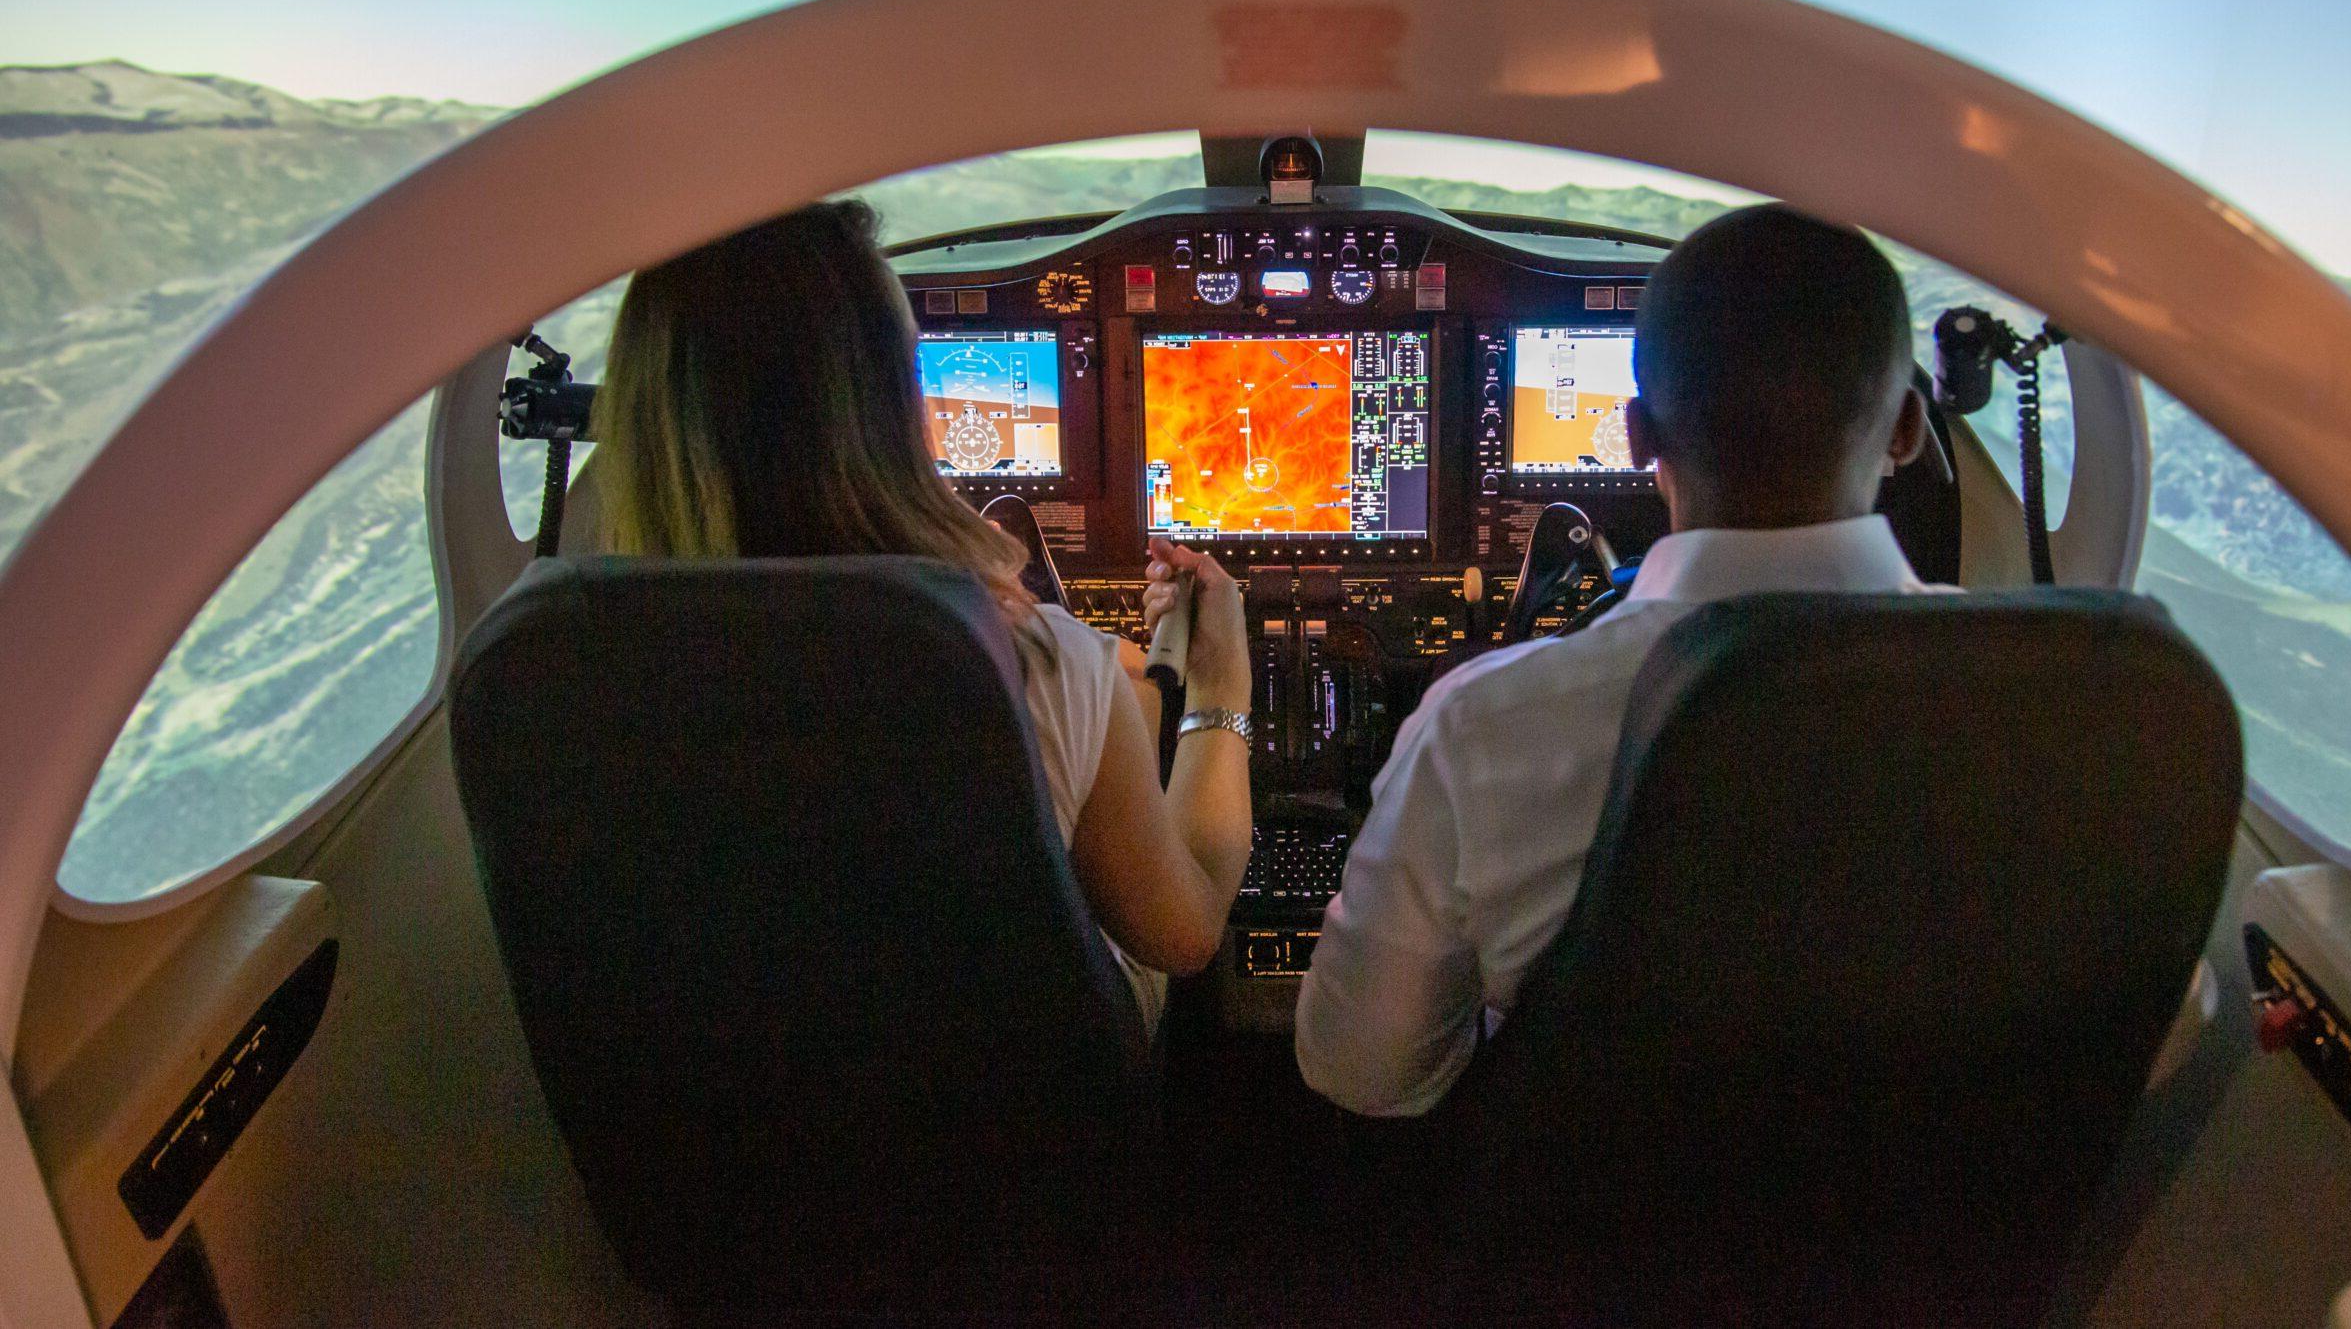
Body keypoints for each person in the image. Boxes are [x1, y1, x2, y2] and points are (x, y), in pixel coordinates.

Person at [1295, 204, 1941, 1114]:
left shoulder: (1482, 729)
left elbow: (1360, 1071)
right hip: (1932, 1241)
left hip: (1600, 1244)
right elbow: (2164, 1030)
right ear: (1909, 429)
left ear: (1637, 438)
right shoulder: (2066, 705)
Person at [586, 199, 1254, 1032]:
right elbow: (1188, 932)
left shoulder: (577, 677)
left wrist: (1129, 684)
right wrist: (1219, 689)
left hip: (729, 1135)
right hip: (1014, 1126)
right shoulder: (1026, 669)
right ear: (886, 416)